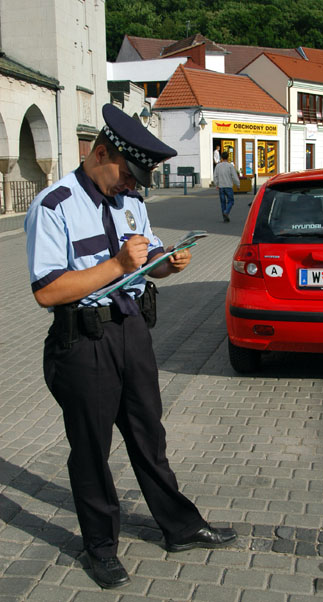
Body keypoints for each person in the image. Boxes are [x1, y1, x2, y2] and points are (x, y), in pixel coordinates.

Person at [24, 104, 237, 590]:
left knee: (148, 435)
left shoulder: (131, 202)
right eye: (127, 175)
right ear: (101, 153)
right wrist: (120, 263)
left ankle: (180, 527)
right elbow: (47, 291)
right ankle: (99, 547)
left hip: (132, 332)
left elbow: (148, 259)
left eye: (138, 180)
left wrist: (168, 263)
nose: (132, 187)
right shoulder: (54, 205)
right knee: (92, 450)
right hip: (84, 341)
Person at [213, 151, 240, 222]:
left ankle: (224, 216)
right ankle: (226, 212)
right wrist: (237, 184)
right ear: (228, 157)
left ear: (221, 157)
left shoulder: (218, 166)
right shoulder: (230, 166)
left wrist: (216, 184)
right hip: (228, 186)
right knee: (231, 201)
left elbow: (215, 176)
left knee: (223, 202)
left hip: (221, 186)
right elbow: (234, 176)